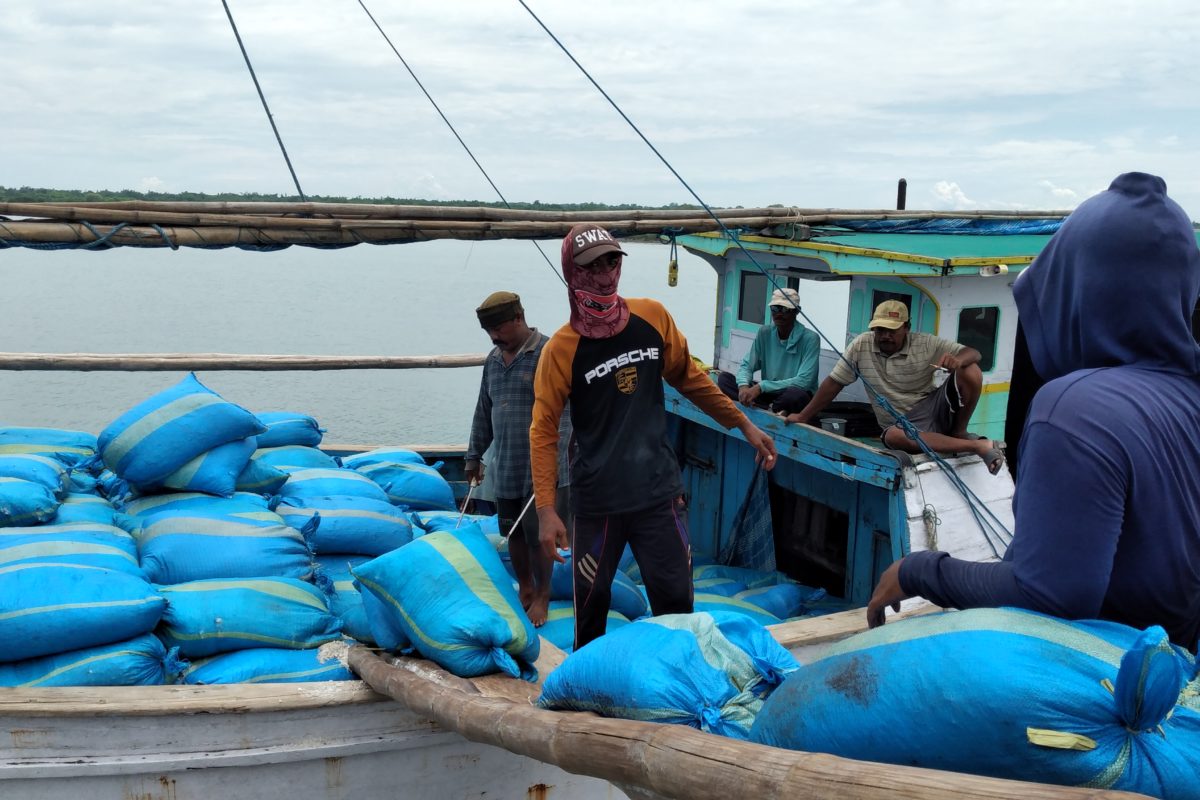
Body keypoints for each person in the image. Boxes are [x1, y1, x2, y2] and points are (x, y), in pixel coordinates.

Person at [866, 171, 1200, 654]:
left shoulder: (1074, 410)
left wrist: (918, 570)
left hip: (1099, 685)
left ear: (1074, 290)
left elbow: (1052, 596)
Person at [530, 224, 778, 650]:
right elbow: (544, 430)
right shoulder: (561, 349)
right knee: (591, 607)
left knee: (677, 604)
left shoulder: (653, 317)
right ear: (573, 272)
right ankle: (587, 700)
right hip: (597, 502)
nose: (606, 272)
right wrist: (547, 510)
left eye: (613, 260)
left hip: (658, 494)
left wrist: (744, 424)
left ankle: (676, 690)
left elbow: (691, 379)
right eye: (593, 264)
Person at [785, 299, 1005, 473]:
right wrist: (803, 417)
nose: (885, 336)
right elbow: (834, 383)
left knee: (971, 369)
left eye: (892, 330)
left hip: (931, 408)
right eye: (880, 330)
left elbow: (973, 352)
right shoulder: (862, 344)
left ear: (907, 328)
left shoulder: (925, 343)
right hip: (900, 426)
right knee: (892, 437)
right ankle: (976, 447)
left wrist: (958, 361)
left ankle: (959, 431)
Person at [465, 291, 569, 627]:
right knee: (513, 531)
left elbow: (566, 413)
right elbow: (484, 410)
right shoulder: (493, 361)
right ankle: (525, 587)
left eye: (499, 328)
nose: (495, 337)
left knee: (539, 533)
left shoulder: (548, 353)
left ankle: (543, 595)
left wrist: (556, 462)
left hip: (542, 463)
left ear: (519, 318)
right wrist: (474, 455)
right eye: (488, 332)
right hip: (507, 461)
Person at [716, 287, 820, 415]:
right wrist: (743, 387)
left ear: (797, 311)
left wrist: (761, 386)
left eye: (785, 309)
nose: (779, 313)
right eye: (775, 308)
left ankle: (766, 408)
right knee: (724, 379)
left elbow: (804, 381)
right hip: (769, 393)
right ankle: (769, 409)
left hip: (791, 394)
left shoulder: (810, 339)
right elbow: (747, 365)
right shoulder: (764, 333)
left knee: (796, 395)